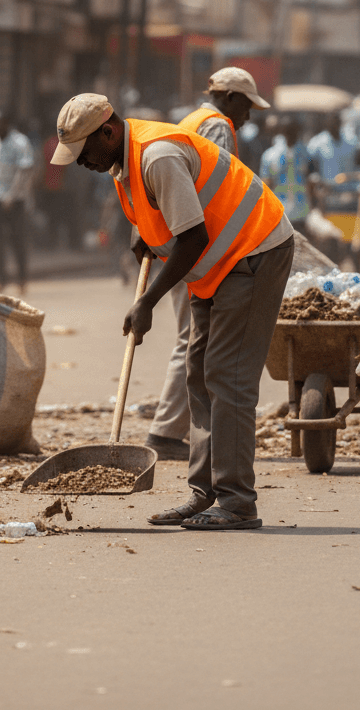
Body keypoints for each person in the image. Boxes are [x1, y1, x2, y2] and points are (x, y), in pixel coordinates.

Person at [52, 94, 293, 530]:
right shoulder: (121, 162)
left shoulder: (156, 155)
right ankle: (206, 494)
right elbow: (157, 211)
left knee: (228, 377)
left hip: (252, 251)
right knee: (199, 375)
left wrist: (147, 301)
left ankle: (237, 502)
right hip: (216, 265)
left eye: (84, 152)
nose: (81, 163)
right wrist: (142, 233)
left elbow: (193, 238)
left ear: (107, 132)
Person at [146, 67, 270, 461]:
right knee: (192, 339)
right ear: (231, 98)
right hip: (196, 249)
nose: (248, 116)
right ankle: (167, 432)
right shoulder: (217, 127)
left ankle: (174, 429)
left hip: (180, 241)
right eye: (247, 106)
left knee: (192, 339)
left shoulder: (190, 120)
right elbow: (219, 196)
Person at [0, 109, 35, 293]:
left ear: (6, 123)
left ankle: (22, 278)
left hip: (14, 199)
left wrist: (12, 195)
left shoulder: (20, 142)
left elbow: (24, 170)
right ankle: (0, 278)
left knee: (16, 238)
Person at [260, 117, 313, 228]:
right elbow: (265, 184)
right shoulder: (270, 155)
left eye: (294, 131)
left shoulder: (306, 154)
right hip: (279, 212)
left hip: (301, 211)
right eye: (288, 131)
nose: (292, 134)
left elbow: (310, 180)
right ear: (282, 132)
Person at [307, 112, 356, 181]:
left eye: (336, 123)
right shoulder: (317, 142)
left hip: (348, 187)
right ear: (327, 124)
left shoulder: (350, 141)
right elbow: (310, 165)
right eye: (332, 124)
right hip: (328, 187)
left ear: (340, 123)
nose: (335, 126)